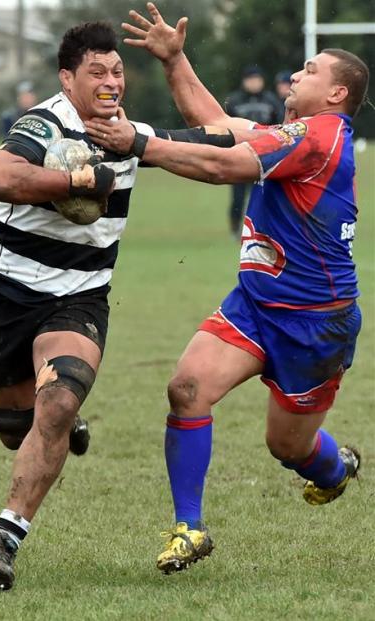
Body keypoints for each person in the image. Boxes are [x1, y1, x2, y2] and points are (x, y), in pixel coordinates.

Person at [85, 2, 368, 575]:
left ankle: (336, 470)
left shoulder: (319, 139)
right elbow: (222, 129)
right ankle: (189, 528)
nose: (295, 75)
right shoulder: (295, 133)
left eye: (309, 71)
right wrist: (174, 59)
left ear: (337, 94)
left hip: (317, 324)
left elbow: (220, 166)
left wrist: (137, 144)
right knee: (187, 387)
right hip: (257, 305)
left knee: (289, 448)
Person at [0, 20, 238, 591]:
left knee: (58, 406)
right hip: (9, 296)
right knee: (14, 428)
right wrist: (73, 180)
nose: (111, 80)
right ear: (68, 79)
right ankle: (59, 423)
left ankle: (5, 540)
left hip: (80, 298)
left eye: (117, 70)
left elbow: (221, 137)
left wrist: (173, 61)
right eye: (97, 71)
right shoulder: (43, 122)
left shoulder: (132, 135)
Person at [224, 65, 281, 235]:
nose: (254, 83)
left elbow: (280, 126)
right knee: (238, 197)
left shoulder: (271, 100)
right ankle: (235, 228)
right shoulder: (234, 101)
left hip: (266, 156)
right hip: (240, 154)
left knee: (266, 194)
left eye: (257, 80)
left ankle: (267, 229)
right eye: (251, 80)